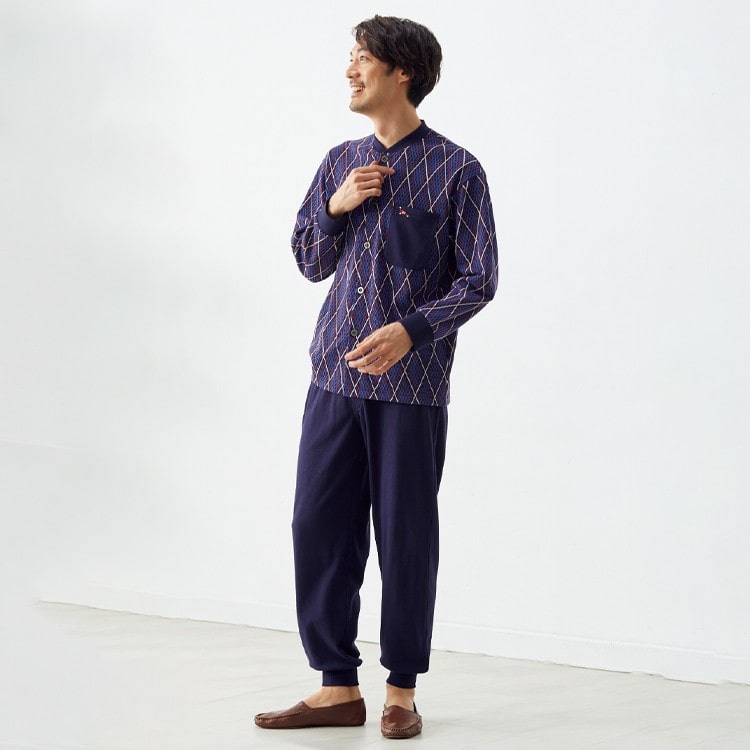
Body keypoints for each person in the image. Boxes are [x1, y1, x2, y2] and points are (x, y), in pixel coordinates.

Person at [254, 15, 498, 740]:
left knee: (405, 538)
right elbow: (309, 259)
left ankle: (399, 691)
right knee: (317, 526)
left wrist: (410, 331)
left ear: (401, 71)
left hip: (410, 390)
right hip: (333, 377)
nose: (350, 70)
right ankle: (336, 686)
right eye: (351, 57)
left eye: (363, 58)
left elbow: (479, 280)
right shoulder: (341, 161)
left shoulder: (457, 170)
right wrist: (336, 207)